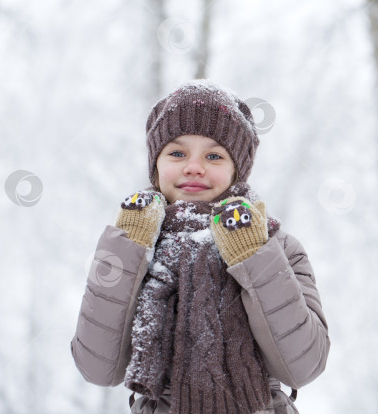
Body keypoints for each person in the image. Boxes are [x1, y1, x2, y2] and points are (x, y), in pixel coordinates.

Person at [70, 79, 330, 414]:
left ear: (238, 170)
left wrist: (251, 253)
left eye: (214, 155)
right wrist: (130, 246)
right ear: (156, 165)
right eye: (177, 153)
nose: (194, 166)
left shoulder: (278, 246)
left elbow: (304, 365)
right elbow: (98, 368)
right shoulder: (132, 244)